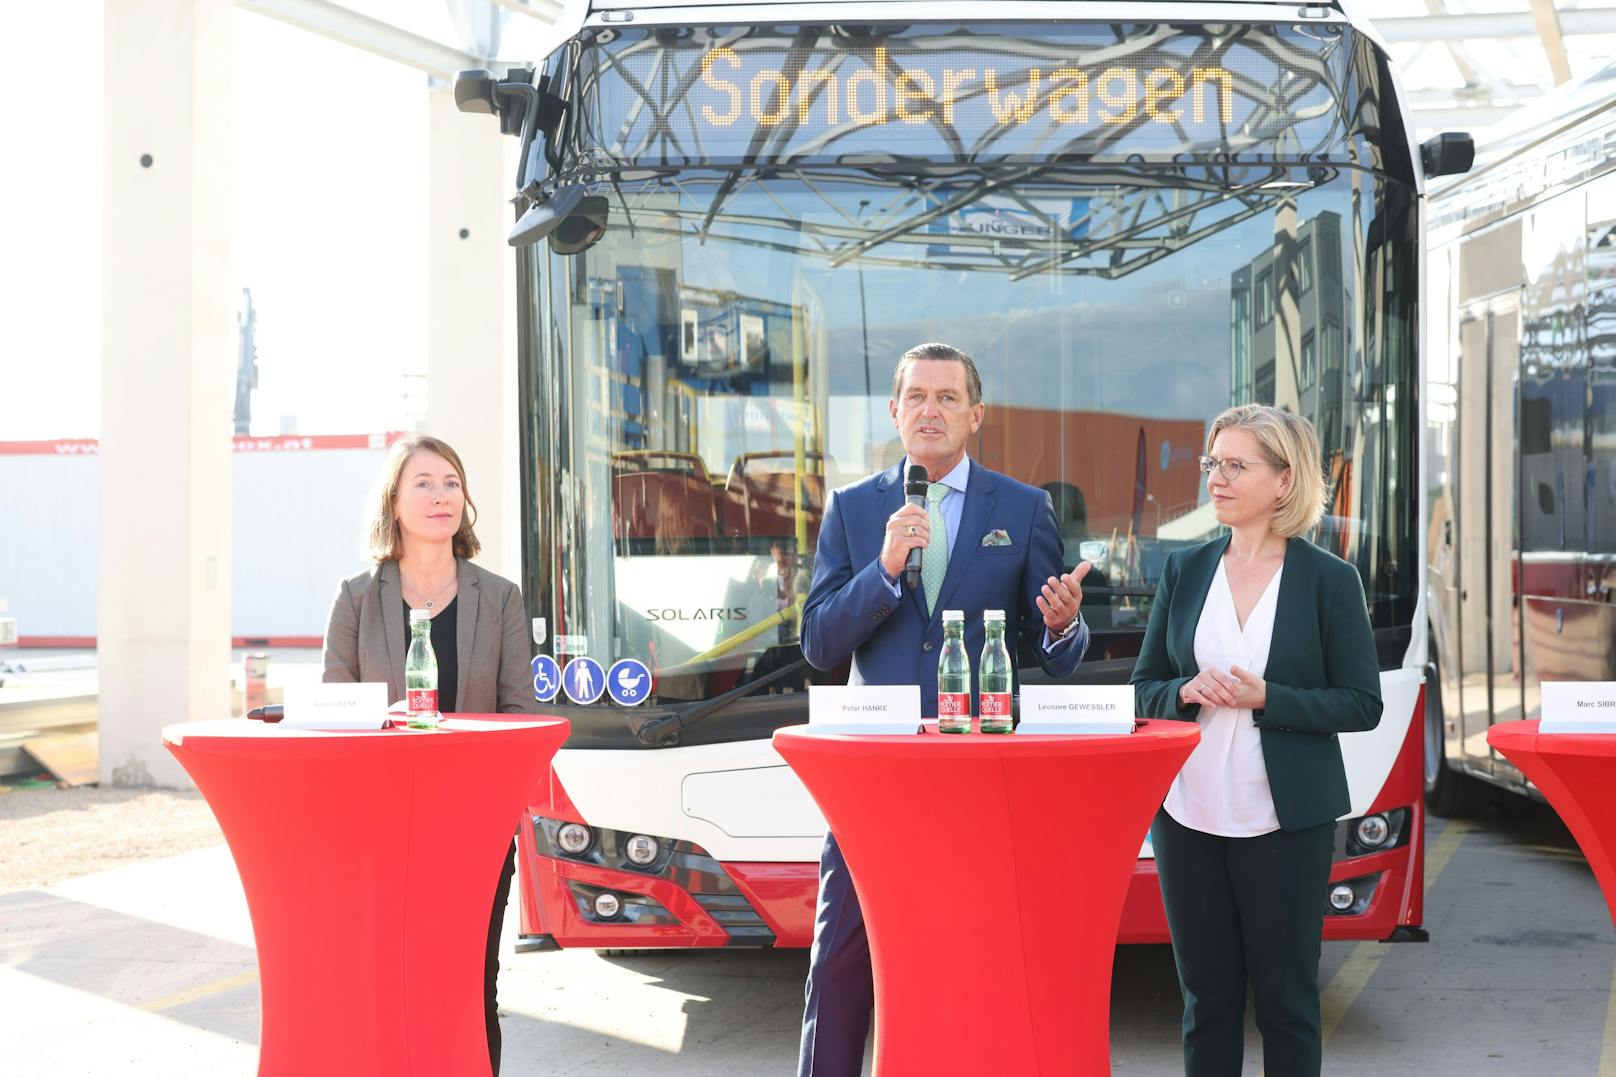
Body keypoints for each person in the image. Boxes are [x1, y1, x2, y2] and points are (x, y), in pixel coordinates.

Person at [795, 342, 1093, 1077]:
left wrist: (1062, 624)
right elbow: (818, 641)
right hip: (876, 771)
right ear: (894, 411)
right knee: (841, 955)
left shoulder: (1024, 509)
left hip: (984, 769)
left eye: (947, 397)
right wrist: (885, 570)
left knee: (984, 951)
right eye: (916, 396)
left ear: (976, 415)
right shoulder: (855, 508)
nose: (931, 409)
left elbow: (1053, 650)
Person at [1129, 405, 1383, 1077]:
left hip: (1284, 822)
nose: (1215, 477)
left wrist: (1267, 697)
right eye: (1213, 463)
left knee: (1287, 1005)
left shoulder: (1331, 580)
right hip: (1187, 817)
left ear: (1284, 479)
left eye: (1235, 465)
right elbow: (1142, 687)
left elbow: (1363, 703)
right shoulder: (1185, 570)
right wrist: (1185, 690)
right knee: (1206, 1002)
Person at [321, 433, 536, 1075]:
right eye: (423, 482)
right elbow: (334, 714)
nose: (440, 495)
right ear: (393, 501)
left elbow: (520, 714)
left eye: (451, 482)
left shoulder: (498, 598)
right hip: (382, 826)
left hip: (475, 824)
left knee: (471, 988)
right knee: (390, 985)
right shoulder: (357, 597)